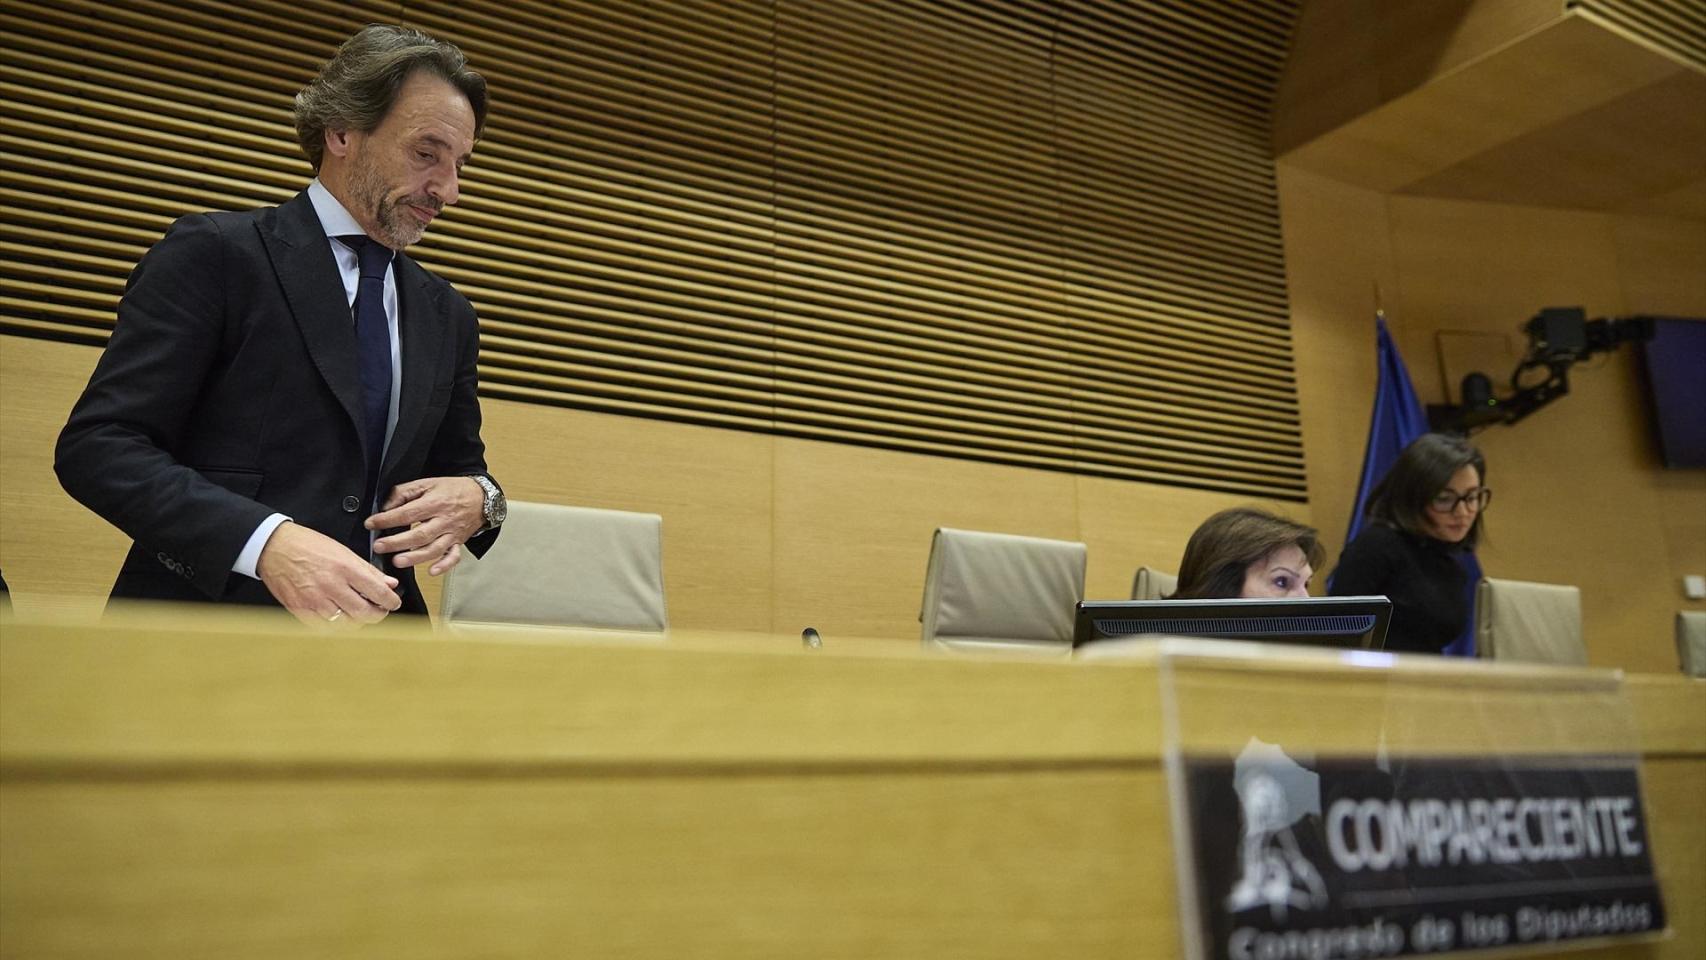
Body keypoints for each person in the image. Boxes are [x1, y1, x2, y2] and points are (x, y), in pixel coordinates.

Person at [55, 24, 506, 626]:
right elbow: (99, 448)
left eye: (460, 164)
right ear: (341, 132)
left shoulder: (448, 313)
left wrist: (482, 500)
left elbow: (463, 471)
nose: (449, 190)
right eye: (427, 153)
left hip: (383, 642)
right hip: (201, 633)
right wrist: (263, 540)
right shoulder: (217, 254)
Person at [1329, 433, 1489, 654]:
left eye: (1471, 498)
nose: (1463, 512)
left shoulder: (1449, 561)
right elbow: (1336, 636)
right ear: (1413, 496)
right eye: (1444, 499)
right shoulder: (1376, 547)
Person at [1171, 508, 1323, 600]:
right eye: (1282, 582)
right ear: (1222, 587)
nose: (1306, 599)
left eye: (1306, 584)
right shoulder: (1161, 644)